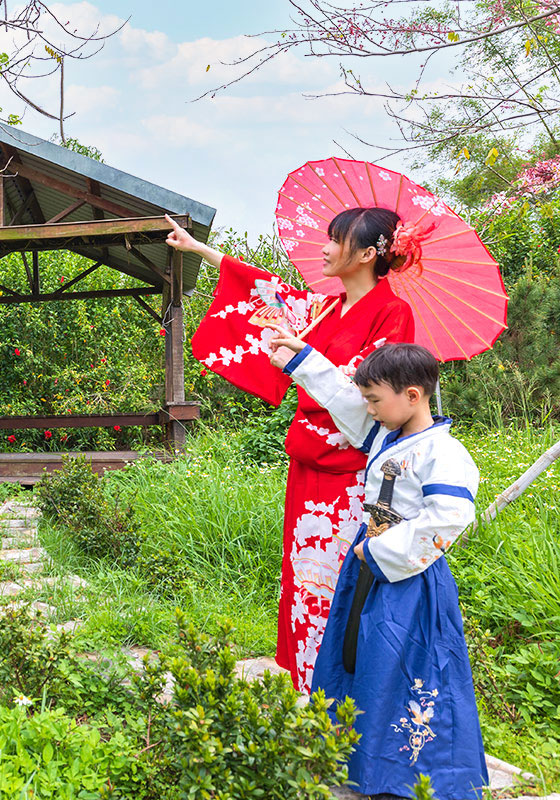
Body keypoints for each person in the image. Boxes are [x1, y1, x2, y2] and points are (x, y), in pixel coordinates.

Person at [165, 209, 416, 691]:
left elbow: (373, 399)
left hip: (353, 470)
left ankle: (347, 690)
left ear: (368, 254)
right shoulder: (324, 307)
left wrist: (304, 360)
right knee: (305, 579)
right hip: (307, 464)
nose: (325, 248)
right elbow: (267, 290)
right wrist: (198, 249)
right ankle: (311, 686)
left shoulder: (392, 313)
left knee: (343, 582)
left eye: (336, 240)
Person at [267, 337, 487, 799]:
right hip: (369, 566)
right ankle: (357, 759)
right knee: (361, 657)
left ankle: (407, 773)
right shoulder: (388, 435)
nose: (368, 408)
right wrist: (301, 360)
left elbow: (449, 516)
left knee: (404, 665)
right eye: (367, 399)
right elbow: (344, 399)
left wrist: (382, 552)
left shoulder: (444, 453)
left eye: (375, 400)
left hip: (410, 579)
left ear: (413, 395)